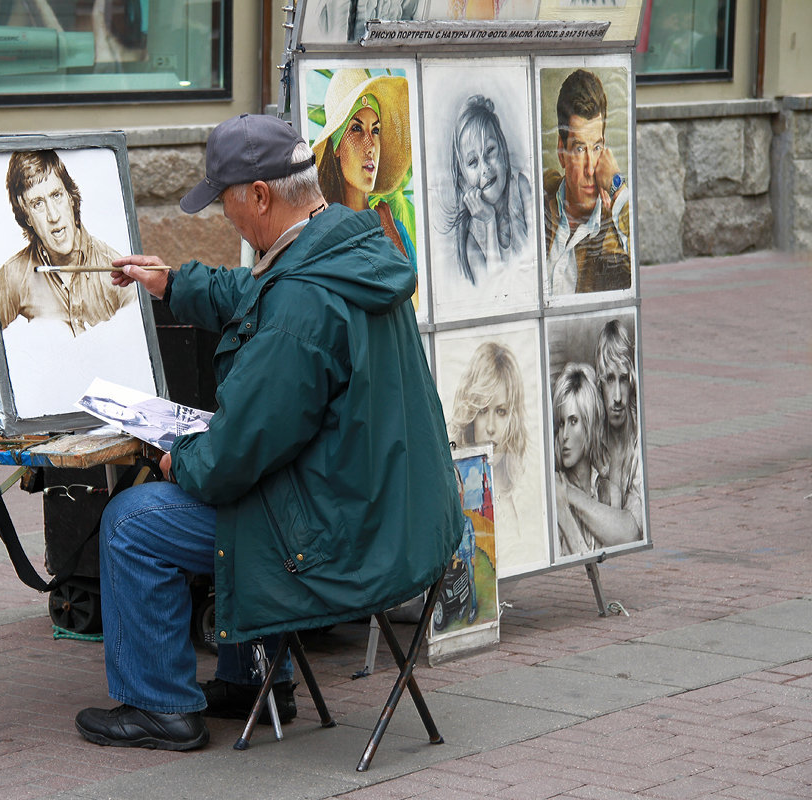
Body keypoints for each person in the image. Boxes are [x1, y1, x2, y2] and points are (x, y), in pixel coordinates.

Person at [71, 113, 462, 751]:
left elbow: (233, 456)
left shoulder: (304, 305)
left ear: (260, 195)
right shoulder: (343, 246)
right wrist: (172, 283)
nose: (225, 217)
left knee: (133, 521)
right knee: (256, 479)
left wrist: (178, 460)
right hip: (395, 514)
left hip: (342, 537)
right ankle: (256, 678)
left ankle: (160, 706)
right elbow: (261, 293)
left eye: (226, 202)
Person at [0, 149, 135, 335]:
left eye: (56, 195)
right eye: (38, 204)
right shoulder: (11, 277)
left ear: (71, 197)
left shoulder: (116, 271)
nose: (53, 215)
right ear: (26, 216)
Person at [543, 69, 631, 296]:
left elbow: (636, 282)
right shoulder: (542, 197)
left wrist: (617, 186)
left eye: (597, 147)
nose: (590, 168)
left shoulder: (613, 227)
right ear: (561, 151)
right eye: (580, 149)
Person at [312, 68, 415, 261]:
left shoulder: (394, 227)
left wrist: (392, 237)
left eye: (375, 130)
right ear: (336, 146)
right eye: (357, 129)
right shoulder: (322, 233)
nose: (371, 147)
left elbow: (418, 292)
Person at [558, 320, 644, 548]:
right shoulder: (590, 436)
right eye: (609, 380)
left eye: (623, 379)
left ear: (632, 381)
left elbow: (632, 533)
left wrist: (570, 495)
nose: (617, 397)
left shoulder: (639, 444)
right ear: (599, 384)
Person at [443, 95, 533, 284]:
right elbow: (496, 292)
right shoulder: (471, 243)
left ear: (503, 149)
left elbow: (536, 262)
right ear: (463, 182)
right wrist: (490, 223)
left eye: (490, 151)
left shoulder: (521, 188)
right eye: (473, 162)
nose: (485, 168)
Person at [448, 341, 529, 530]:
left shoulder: (523, 492)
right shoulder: (455, 491)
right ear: (471, 417)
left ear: (513, 417)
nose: (491, 427)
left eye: (501, 411)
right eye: (483, 411)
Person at [551, 362, 605, 556]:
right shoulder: (552, 496)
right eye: (562, 423)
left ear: (590, 424)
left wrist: (571, 496)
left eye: (573, 421)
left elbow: (630, 534)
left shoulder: (608, 491)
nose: (564, 434)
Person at [452, 464, 479, 625]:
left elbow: (473, 538)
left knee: (470, 581)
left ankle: (473, 606)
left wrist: (473, 555)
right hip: (461, 556)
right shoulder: (456, 522)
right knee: (459, 583)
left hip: (468, 555)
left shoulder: (467, 521)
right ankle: (463, 606)